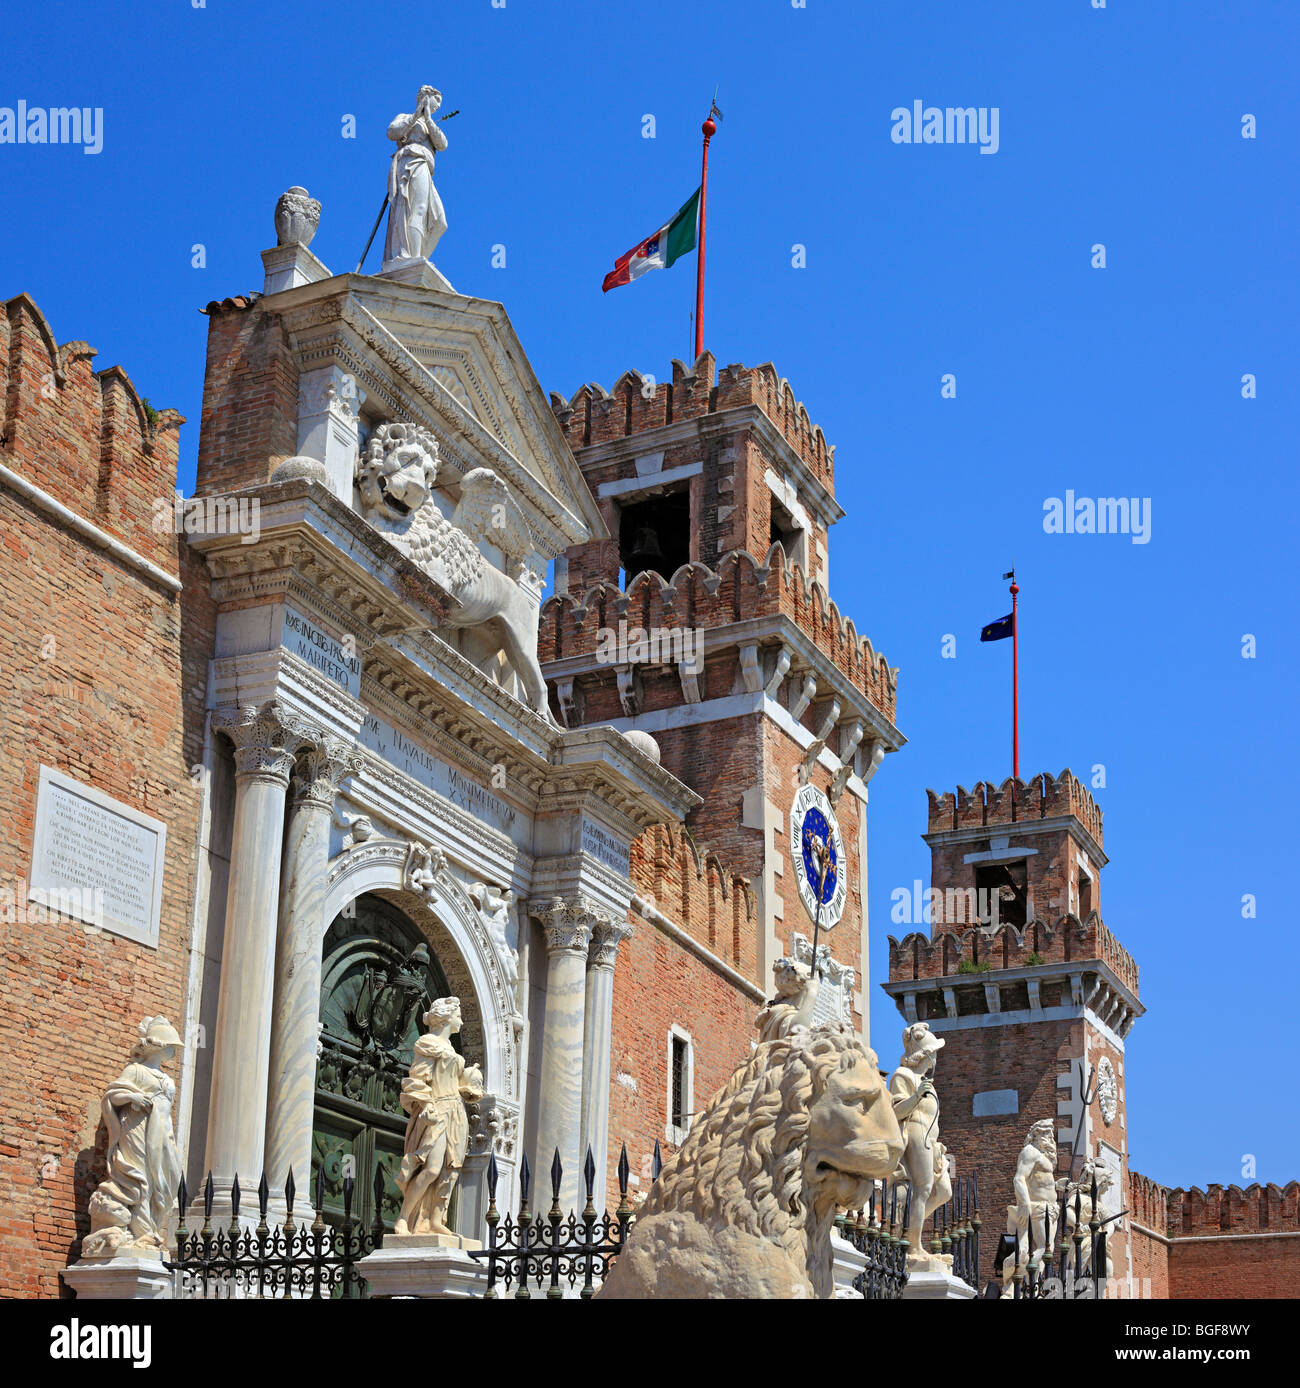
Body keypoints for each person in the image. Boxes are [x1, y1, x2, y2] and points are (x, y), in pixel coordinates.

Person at [393, 996, 484, 1237]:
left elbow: (454, 1081)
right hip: (438, 1109)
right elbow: (418, 1079)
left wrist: (469, 1085)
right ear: (445, 1017)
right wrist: (425, 1104)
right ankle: (403, 1217)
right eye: (458, 1016)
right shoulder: (427, 1043)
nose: (462, 1022)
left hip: (456, 1113)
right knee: (432, 1168)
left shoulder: (452, 1050)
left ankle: (435, 1219)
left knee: (451, 1169)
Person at [382, 85, 449, 268]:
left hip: (425, 167)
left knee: (439, 222)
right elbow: (392, 132)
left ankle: (417, 257)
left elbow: (442, 144)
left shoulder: (429, 124)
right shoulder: (405, 117)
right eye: (437, 101)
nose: (438, 106)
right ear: (426, 98)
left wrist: (427, 118)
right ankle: (411, 258)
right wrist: (415, 116)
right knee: (416, 209)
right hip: (411, 162)